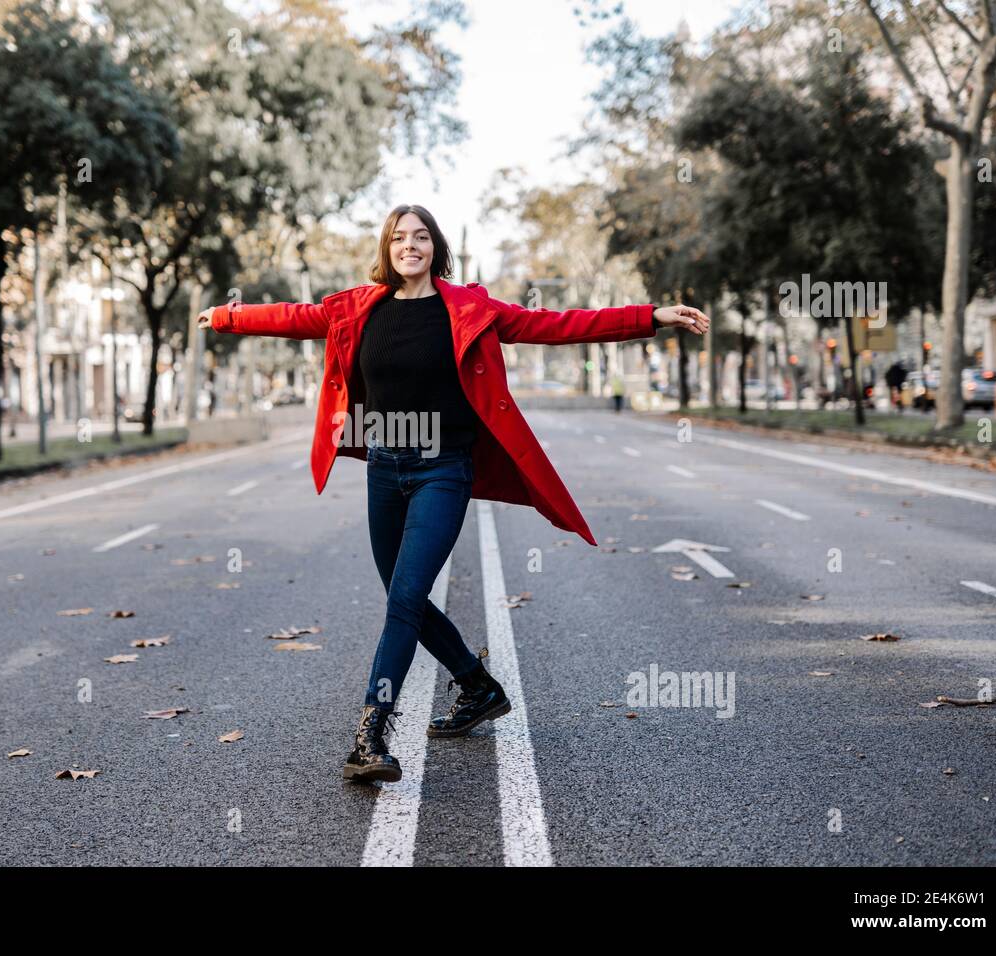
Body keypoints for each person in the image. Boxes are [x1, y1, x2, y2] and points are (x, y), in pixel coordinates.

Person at [197, 204, 709, 784]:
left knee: (404, 599)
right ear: (387, 248)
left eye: (419, 237)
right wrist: (228, 318)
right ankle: (477, 685)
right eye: (398, 237)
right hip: (384, 468)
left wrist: (652, 316)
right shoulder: (359, 308)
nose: (408, 245)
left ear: (435, 248)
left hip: (443, 469)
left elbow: (560, 324)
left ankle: (371, 733)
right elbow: (294, 316)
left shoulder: (471, 308)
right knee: (402, 593)